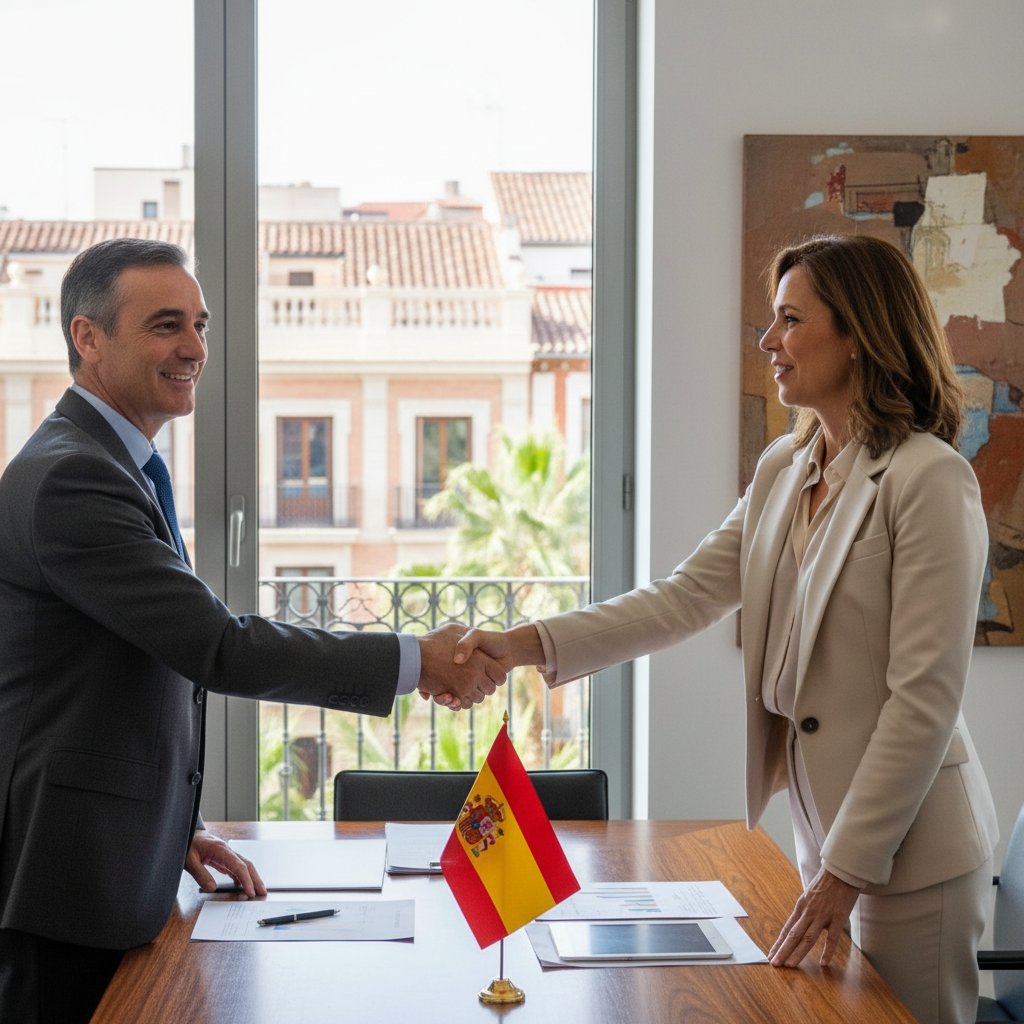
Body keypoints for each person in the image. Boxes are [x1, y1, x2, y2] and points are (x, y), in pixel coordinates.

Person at [447, 234, 999, 1024]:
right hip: (821, 838)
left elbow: (924, 699)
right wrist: (521, 646)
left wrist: (845, 871)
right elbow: (681, 599)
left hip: (913, 856)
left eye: (790, 320)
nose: (768, 340)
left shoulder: (930, 478)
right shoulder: (784, 468)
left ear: (860, 335)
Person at [0, 237, 504, 1024]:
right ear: (87, 337)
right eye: (166, 325)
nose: (195, 348)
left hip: (108, 859)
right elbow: (216, 645)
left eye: (199, 324)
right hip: (67, 882)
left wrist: (174, 829)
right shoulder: (74, 476)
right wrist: (418, 661)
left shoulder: (112, 462)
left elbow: (120, 669)